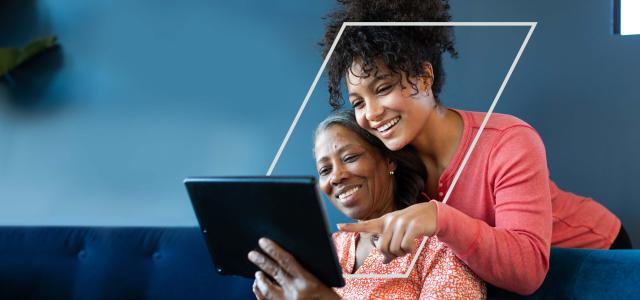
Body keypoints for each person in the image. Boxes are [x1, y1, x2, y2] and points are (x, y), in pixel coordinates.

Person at [319, 0, 628, 295]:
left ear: (425, 78)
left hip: (588, 259)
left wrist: (440, 218)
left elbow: (528, 270)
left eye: (383, 88)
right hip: (493, 274)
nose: (371, 114)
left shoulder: (509, 141)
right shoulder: (391, 159)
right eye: (358, 102)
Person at [248, 110, 486, 299]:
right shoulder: (324, 249)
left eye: (350, 158)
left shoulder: (443, 247)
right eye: (325, 169)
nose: (336, 177)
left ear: (389, 160)